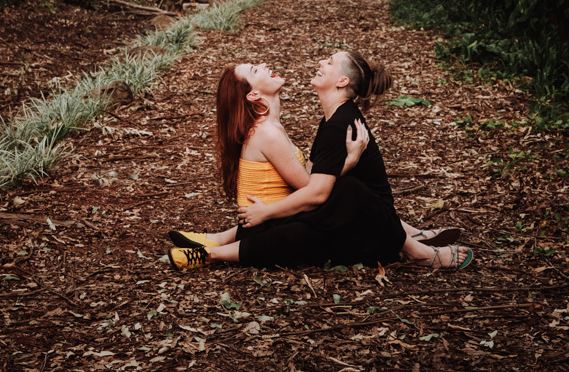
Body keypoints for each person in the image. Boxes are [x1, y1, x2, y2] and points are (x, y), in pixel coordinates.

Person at [167, 50, 472, 273]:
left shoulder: (323, 122)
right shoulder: (280, 130)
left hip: (281, 219)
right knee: (346, 191)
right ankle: (414, 245)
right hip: (270, 223)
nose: (319, 62)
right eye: (255, 68)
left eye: (328, 62)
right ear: (253, 94)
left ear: (341, 80)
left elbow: (314, 182)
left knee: (342, 196)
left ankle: (214, 245)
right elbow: (314, 189)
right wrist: (349, 162)